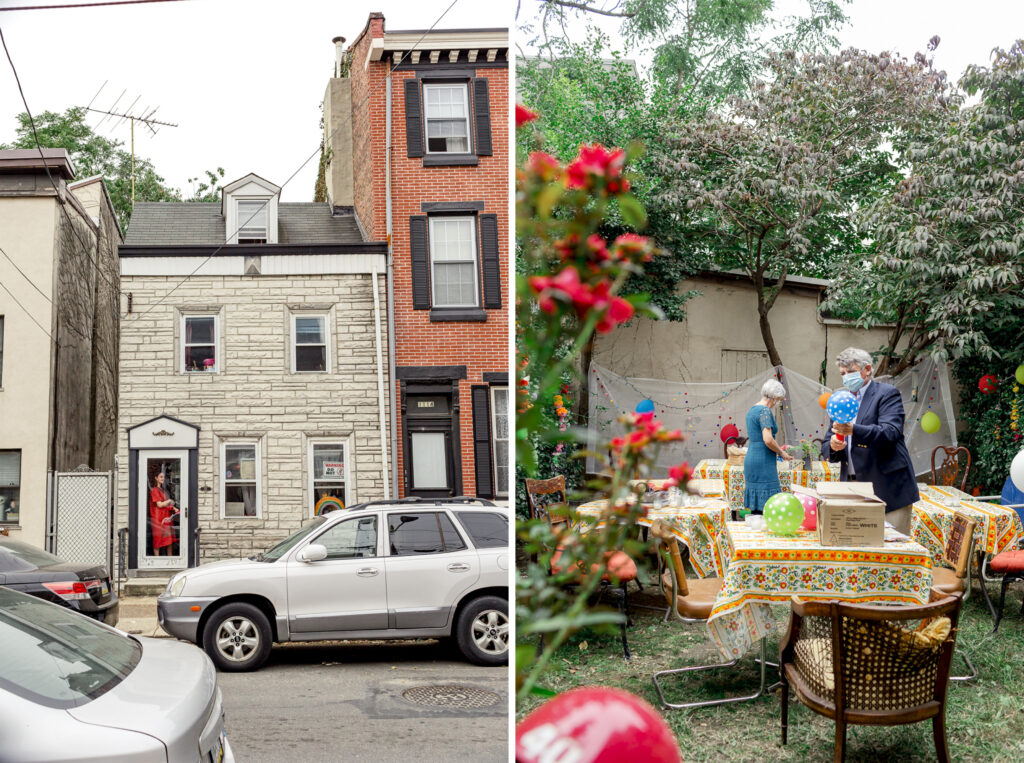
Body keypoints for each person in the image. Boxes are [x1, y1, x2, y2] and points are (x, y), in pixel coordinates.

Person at [825, 347, 919, 533]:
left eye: (850, 372)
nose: (846, 377)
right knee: (860, 549)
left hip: (886, 487)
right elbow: (828, 442)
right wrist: (833, 445)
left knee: (893, 550)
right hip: (852, 488)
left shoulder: (886, 393)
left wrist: (854, 430)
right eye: (843, 373)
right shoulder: (840, 399)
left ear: (867, 369)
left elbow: (890, 432)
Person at [744, 379, 797, 514]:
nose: (778, 403)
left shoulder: (752, 410)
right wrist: (781, 452)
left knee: (756, 508)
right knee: (769, 506)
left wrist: (779, 448)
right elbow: (767, 439)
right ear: (774, 397)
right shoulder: (765, 411)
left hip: (752, 457)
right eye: (778, 399)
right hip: (763, 460)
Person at [149, 471, 179, 556]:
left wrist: (173, 508)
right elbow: (159, 504)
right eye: (161, 477)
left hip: (165, 518)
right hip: (158, 519)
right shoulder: (154, 490)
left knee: (168, 541)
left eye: (163, 477)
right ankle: (157, 561)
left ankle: (170, 560)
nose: (163, 479)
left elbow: (165, 504)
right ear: (156, 478)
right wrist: (169, 501)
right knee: (158, 541)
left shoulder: (162, 490)